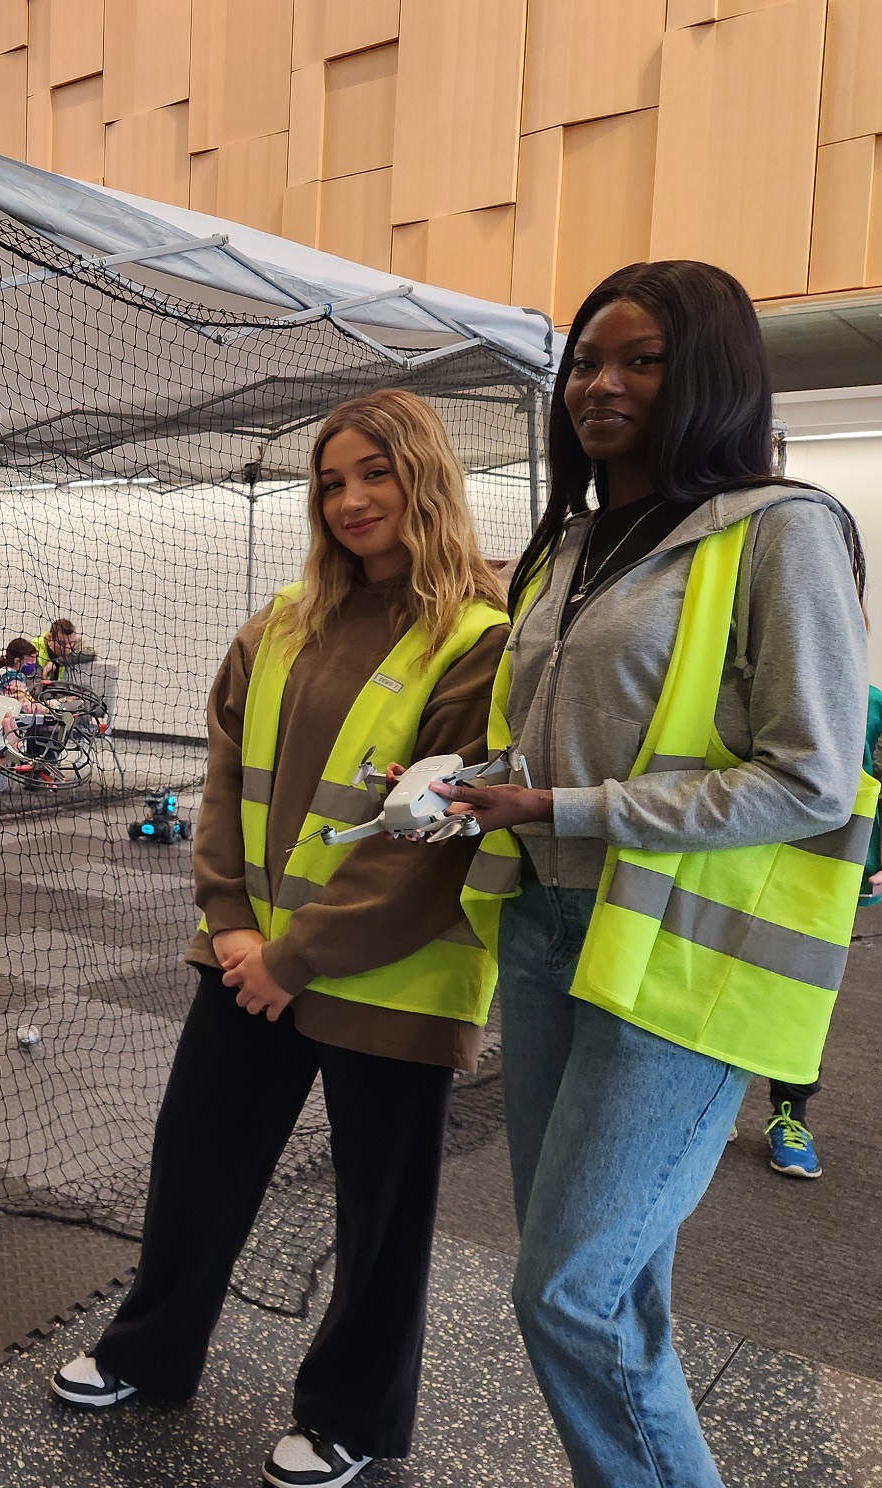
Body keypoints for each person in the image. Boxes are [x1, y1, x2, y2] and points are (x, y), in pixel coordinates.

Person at [439, 261, 873, 1488]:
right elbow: (561, 732)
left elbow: (814, 777)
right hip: (542, 924)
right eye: (585, 361)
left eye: (641, 360)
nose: (601, 385)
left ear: (711, 375)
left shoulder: (780, 531)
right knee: (611, 1291)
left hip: (679, 950)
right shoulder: (569, 544)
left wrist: (561, 802)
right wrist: (468, 781)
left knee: (567, 1293)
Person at [51, 388, 509, 1488]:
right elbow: (222, 788)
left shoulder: (480, 643)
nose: (351, 499)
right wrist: (230, 927)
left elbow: (437, 845)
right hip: (245, 958)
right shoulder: (278, 625)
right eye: (331, 480)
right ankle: (150, 1354)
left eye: (375, 474)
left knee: (381, 1214)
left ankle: (352, 1414)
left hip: (391, 976)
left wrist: (291, 957)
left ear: (425, 480)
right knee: (196, 1166)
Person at [757, 679, 882, 1180]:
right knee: (724, 978)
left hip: (830, 872)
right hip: (748, 856)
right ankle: (713, 1096)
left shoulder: (869, 702)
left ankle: (791, 1115)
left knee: (802, 999)